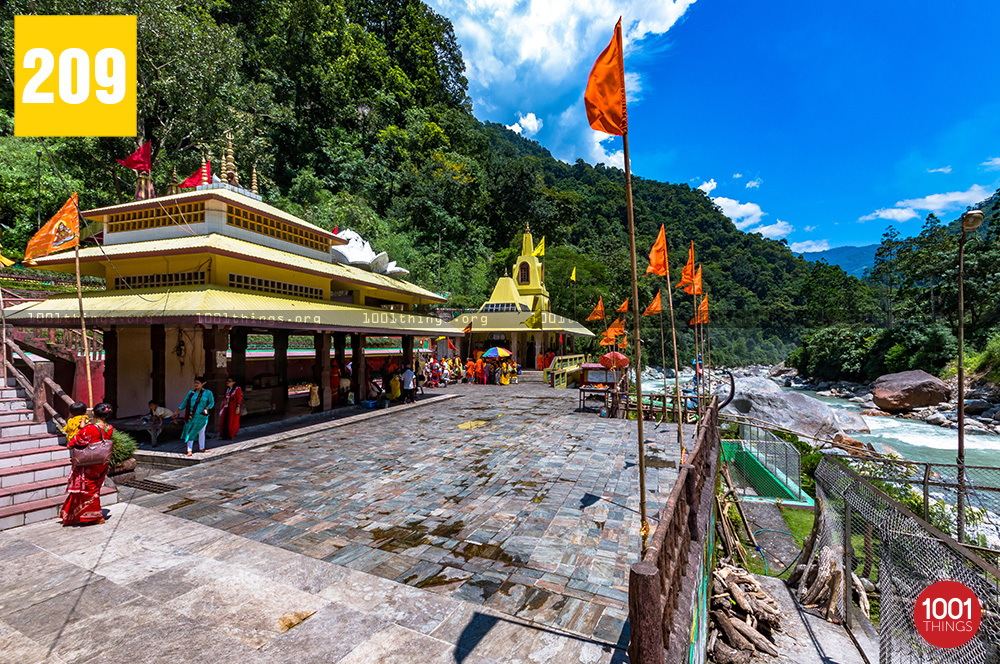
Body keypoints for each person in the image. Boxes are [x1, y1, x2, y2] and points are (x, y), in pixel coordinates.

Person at [61, 402, 113, 526]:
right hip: (102, 461)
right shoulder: (109, 428)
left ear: (93, 413)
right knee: (94, 487)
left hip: (89, 463)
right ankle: (74, 513)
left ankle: (96, 516)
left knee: (88, 489)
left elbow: (72, 443)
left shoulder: (90, 429)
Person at [176, 376, 214, 456]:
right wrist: (177, 411)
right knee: (190, 431)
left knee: (201, 432)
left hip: (202, 416)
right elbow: (185, 402)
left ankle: (201, 448)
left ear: (203, 384)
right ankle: (189, 450)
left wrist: (207, 408)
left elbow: (211, 403)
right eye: (195, 383)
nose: (196, 384)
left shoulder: (208, 393)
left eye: (198, 383)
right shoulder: (191, 393)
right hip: (191, 416)